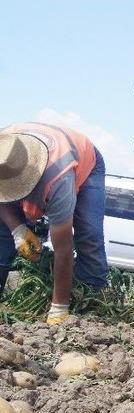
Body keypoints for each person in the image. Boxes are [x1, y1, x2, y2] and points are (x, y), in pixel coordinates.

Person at [0, 123, 108, 324]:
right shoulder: (3, 150)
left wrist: (59, 307)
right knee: (2, 230)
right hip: (32, 156)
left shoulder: (58, 180)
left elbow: (63, 248)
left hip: (85, 161)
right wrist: (17, 230)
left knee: (89, 234)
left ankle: (92, 304)